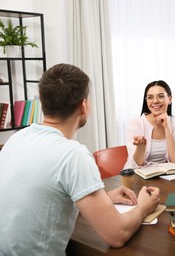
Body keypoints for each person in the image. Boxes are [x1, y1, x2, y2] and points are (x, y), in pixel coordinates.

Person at [0, 64, 160, 255]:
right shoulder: (72, 154)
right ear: (83, 106)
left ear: (43, 103)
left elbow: (43, 196)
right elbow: (116, 235)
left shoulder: (17, 138)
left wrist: (105, 198)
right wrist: (144, 206)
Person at [124, 80, 175, 168]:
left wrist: (166, 126)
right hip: (138, 176)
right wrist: (141, 148)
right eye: (150, 97)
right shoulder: (135, 124)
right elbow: (137, 164)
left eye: (160, 96)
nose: (155, 101)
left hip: (166, 177)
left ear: (169, 99)